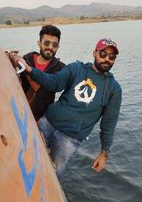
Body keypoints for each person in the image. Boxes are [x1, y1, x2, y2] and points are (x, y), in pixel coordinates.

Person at [13, 38, 122, 180]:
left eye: (112, 56)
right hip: (47, 124)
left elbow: (109, 123)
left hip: (69, 139)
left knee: (54, 175)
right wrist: (29, 69)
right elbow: (54, 83)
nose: (107, 59)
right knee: (24, 154)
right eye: (103, 54)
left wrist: (104, 153)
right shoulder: (76, 69)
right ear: (94, 53)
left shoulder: (114, 89)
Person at [8, 25, 65, 121]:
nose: (50, 47)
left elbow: (49, 94)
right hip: (16, 112)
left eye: (54, 45)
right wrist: (9, 59)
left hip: (40, 120)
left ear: (58, 47)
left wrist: (27, 68)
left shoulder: (61, 68)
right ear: (39, 43)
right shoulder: (27, 58)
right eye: (46, 43)